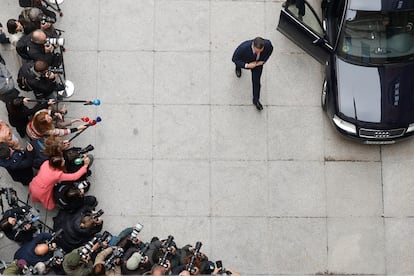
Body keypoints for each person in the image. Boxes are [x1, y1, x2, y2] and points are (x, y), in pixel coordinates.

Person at [232, 36, 273, 111]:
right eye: (257, 51)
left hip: (258, 65)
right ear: (253, 45)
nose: (259, 52)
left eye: (261, 51)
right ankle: (238, 68)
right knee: (239, 63)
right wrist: (247, 65)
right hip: (246, 61)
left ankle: (256, 100)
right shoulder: (243, 48)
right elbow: (234, 58)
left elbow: (270, 51)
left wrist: (263, 61)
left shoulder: (268, 44)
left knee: (256, 82)